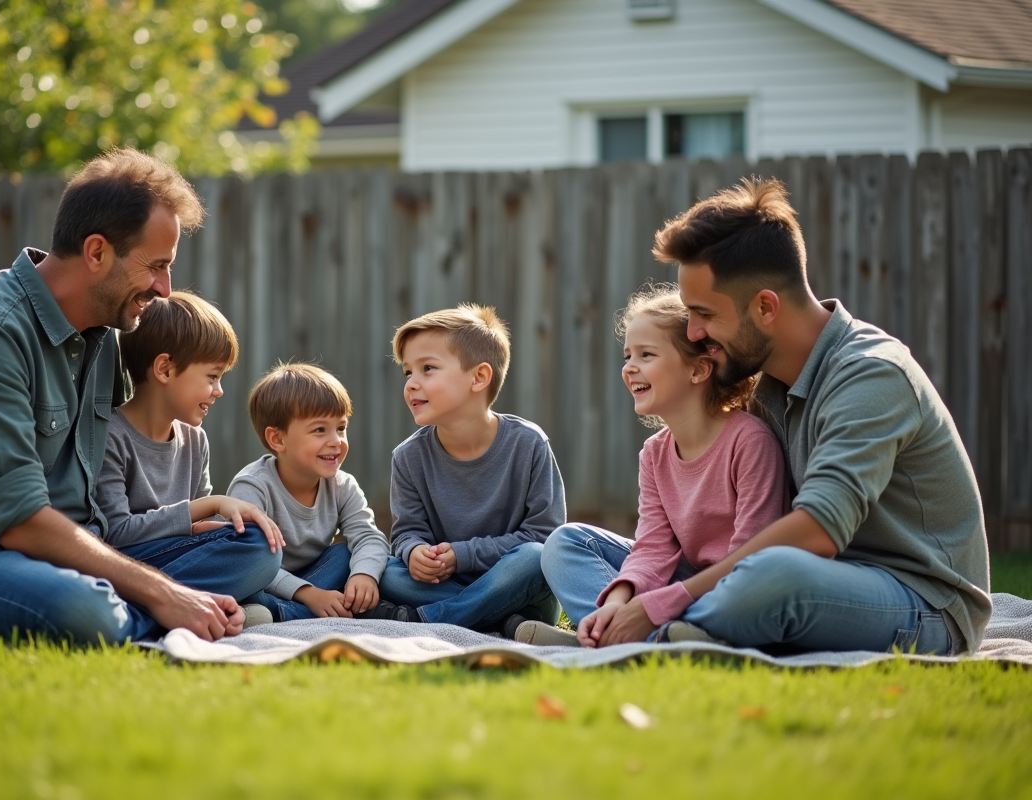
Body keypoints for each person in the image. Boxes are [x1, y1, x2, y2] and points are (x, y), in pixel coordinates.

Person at [0, 149, 281, 645]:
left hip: (86, 549)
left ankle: (154, 606)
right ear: (96, 252)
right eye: (156, 266)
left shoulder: (105, 333)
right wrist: (161, 591)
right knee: (84, 608)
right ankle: (165, 610)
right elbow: (18, 522)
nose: (165, 288)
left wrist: (183, 531)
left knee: (254, 550)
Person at [586, 177, 991, 654]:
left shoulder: (871, 375)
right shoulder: (767, 380)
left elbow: (818, 530)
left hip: (920, 599)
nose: (694, 332)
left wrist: (668, 598)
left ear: (764, 307)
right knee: (581, 545)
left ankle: (655, 634)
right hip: (816, 576)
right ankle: (639, 630)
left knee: (769, 575)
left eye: (704, 315)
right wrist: (638, 590)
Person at [531, 285, 787, 647]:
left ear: (698, 370)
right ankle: (616, 632)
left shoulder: (750, 442)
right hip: (681, 583)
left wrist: (659, 603)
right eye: (627, 355)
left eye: (646, 354)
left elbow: (752, 558)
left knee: (736, 593)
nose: (629, 368)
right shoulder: (654, 453)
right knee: (564, 543)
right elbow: (653, 548)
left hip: (734, 588)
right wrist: (618, 601)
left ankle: (624, 641)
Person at [367, 304, 565, 637]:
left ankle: (427, 621)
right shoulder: (408, 457)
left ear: (479, 377)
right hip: (446, 585)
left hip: (517, 582)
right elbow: (406, 532)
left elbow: (545, 536)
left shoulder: (529, 444)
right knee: (383, 571)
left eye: (427, 368)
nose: (411, 384)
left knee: (534, 557)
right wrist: (415, 552)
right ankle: (498, 621)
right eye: (407, 372)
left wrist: (463, 555)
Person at [94, 290, 284, 626]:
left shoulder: (195, 441)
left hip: (178, 561)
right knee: (258, 559)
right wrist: (210, 506)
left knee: (258, 544)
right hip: (128, 565)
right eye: (212, 377)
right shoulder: (111, 436)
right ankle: (159, 609)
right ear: (165, 369)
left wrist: (212, 530)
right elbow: (115, 534)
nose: (219, 390)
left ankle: (204, 605)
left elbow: (192, 531)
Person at [227, 363, 390, 621]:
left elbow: (369, 537)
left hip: (318, 576)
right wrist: (310, 595)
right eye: (319, 430)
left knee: (349, 554)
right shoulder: (253, 486)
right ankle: (296, 611)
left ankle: (290, 614)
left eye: (340, 428)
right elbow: (245, 561)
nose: (336, 440)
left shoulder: (342, 485)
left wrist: (364, 576)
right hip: (264, 581)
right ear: (278, 439)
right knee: (249, 579)